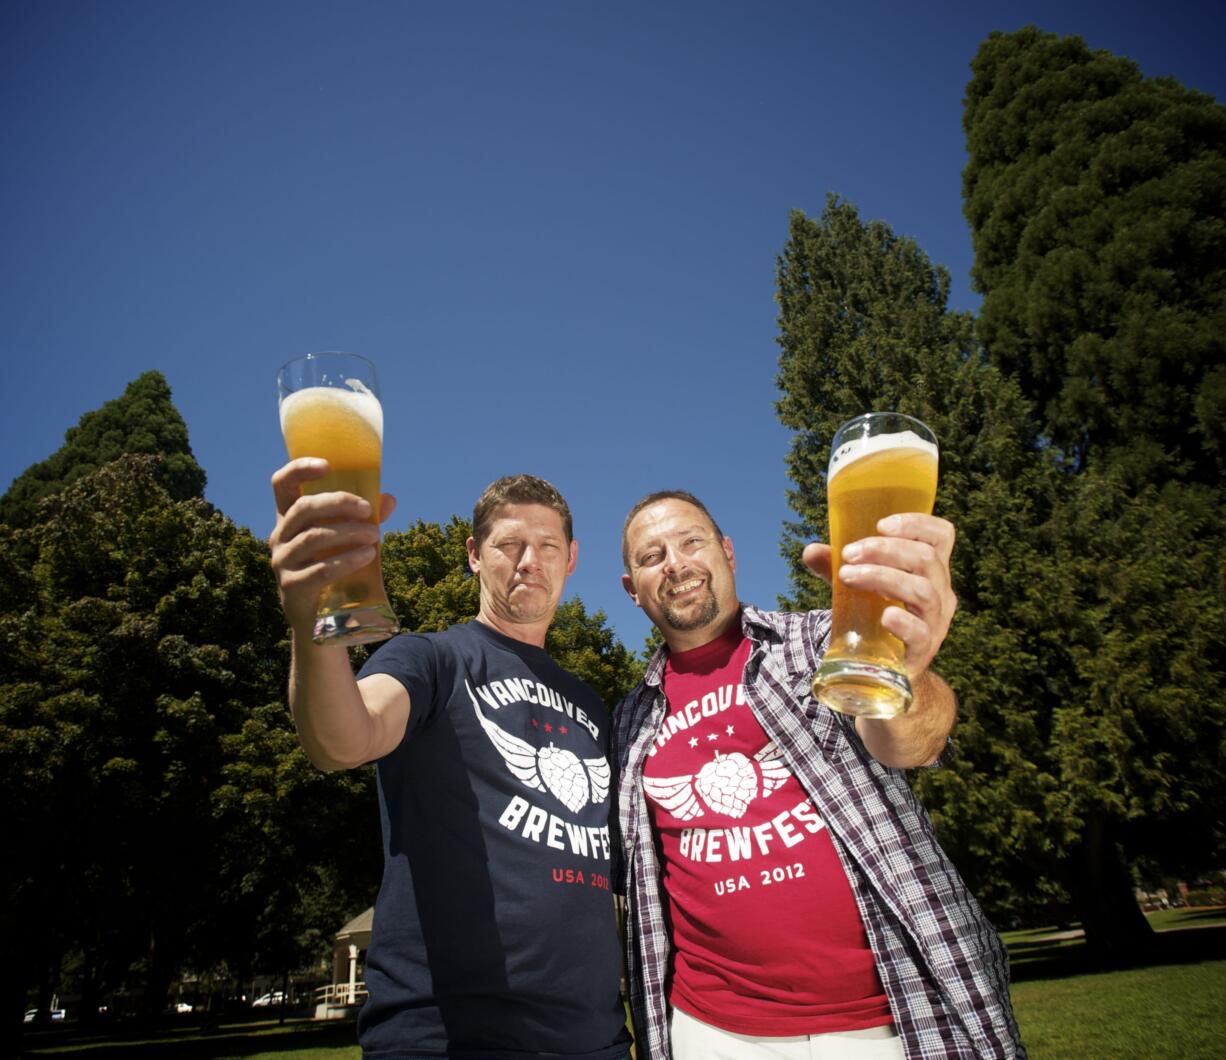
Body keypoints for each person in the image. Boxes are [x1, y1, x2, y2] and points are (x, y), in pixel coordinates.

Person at [614, 490, 1025, 1060]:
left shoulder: (821, 640)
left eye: (691, 542)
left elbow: (917, 742)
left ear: (728, 553)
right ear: (632, 589)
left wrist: (903, 678)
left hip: (888, 1017)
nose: (675, 563)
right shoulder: (629, 721)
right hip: (713, 1029)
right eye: (651, 556)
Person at [269, 462, 631, 1060]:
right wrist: (311, 619)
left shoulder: (591, 702)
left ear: (571, 559)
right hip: (449, 1039)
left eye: (546, 546)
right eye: (508, 545)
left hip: (595, 1041)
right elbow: (343, 739)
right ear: (474, 554)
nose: (528, 561)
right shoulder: (430, 659)